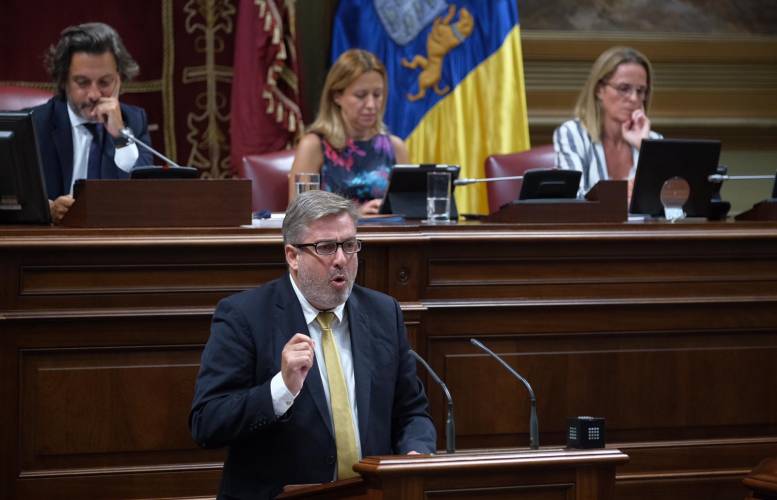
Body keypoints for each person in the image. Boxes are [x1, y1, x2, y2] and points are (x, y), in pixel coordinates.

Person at [189, 190, 436, 498]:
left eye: (349, 245)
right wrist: (281, 389)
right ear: (293, 256)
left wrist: (416, 453)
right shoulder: (245, 317)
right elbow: (207, 423)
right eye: (327, 247)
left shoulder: (383, 313)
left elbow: (412, 411)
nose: (341, 260)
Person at [32, 22, 153, 223]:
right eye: (82, 82)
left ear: (119, 80)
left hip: (111, 245)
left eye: (105, 82)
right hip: (50, 245)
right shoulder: (35, 124)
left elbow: (143, 196)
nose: (94, 94)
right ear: (63, 80)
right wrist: (48, 209)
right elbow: (12, 199)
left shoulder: (133, 121)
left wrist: (120, 136)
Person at [289, 49, 409, 215]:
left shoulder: (396, 147)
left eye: (377, 95)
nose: (371, 105)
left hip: (387, 237)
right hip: (333, 239)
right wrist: (356, 214)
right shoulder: (313, 146)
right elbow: (299, 217)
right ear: (337, 96)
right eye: (361, 95)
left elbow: (407, 211)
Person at [553, 46, 662, 197]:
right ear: (599, 89)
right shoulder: (573, 134)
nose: (634, 99)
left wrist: (644, 145)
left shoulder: (654, 141)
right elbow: (573, 197)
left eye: (641, 90)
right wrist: (623, 196)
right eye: (624, 88)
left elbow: (670, 205)